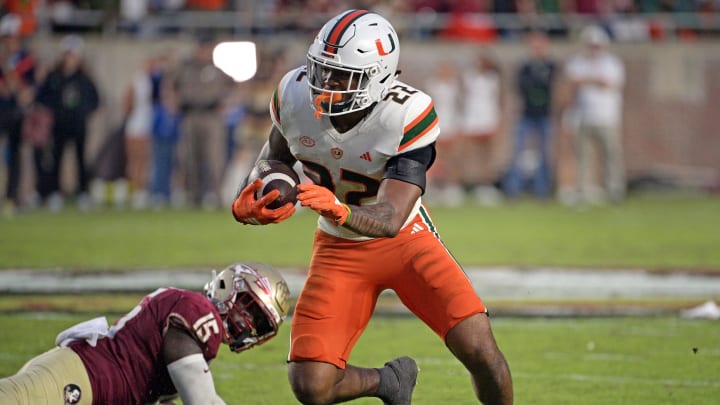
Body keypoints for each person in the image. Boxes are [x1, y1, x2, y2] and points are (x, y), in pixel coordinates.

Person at [231, 9, 513, 405]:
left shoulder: (406, 113)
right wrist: (260, 191)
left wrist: (337, 209)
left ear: (378, 76)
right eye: (322, 69)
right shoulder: (294, 93)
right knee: (311, 385)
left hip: (408, 244)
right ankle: (389, 382)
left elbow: (391, 218)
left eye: (341, 75)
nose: (326, 83)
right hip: (338, 249)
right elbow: (275, 158)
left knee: (481, 351)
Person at [0, 261, 291, 405]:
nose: (247, 324)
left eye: (259, 323)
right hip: (79, 379)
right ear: (229, 287)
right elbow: (201, 400)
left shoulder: (199, 332)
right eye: (247, 308)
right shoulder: (198, 310)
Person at [33, 34, 100, 212]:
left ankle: (83, 192)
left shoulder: (84, 79)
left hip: (78, 125)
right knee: (56, 159)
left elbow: (95, 100)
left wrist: (84, 113)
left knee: (80, 159)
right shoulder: (53, 77)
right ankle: (55, 192)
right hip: (59, 125)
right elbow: (42, 97)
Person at [170, 33, 235, 210]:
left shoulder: (217, 70)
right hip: (190, 115)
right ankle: (194, 197)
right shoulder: (185, 68)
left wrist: (226, 105)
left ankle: (217, 196)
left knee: (214, 158)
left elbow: (233, 88)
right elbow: (171, 87)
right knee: (190, 158)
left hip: (211, 116)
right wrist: (173, 105)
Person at [564, 25, 626, 205]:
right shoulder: (578, 62)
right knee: (583, 157)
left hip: (607, 116)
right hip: (584, 115)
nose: (593, 49)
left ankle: (614, 190)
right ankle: (583, 191)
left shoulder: (612, 63)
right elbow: (573, 83)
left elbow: (609, 84)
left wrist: (588, 80)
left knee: (611, 156)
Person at [503, 29, 558, 199]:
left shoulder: (551, 66)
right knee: (517, 151)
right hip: (526, 114)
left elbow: (552, 88)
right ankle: (513, 189)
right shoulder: (525, 67)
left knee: (544, 152)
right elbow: (521, 88)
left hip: (545, 114)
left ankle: (542, 189)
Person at [0, 13, 38, 217]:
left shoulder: (25, 59)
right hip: (2, 109)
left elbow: (26, 90)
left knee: (15, 156)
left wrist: (13, 80)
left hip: (16, 112)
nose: (9, 41)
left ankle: (11, 197)